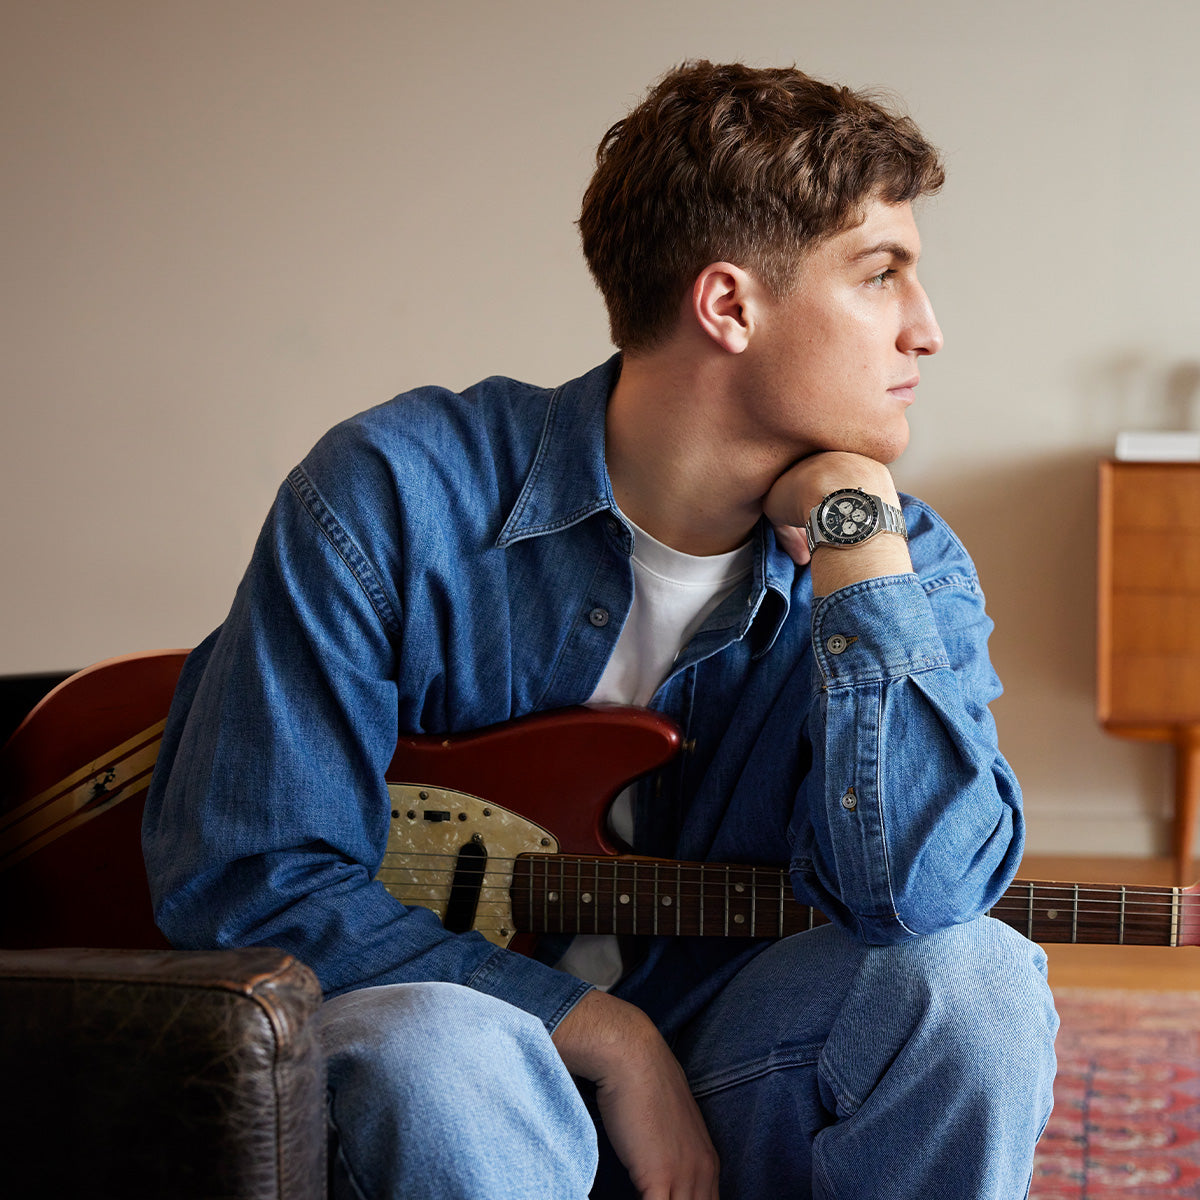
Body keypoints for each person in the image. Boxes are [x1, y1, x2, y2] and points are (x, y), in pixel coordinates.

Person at [143, 60, 1059, 1199]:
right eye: (882, 276)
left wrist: (856, 536)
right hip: (459, 1089)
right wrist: (599, 1032)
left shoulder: (895, 557)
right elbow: (251, 876)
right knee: (446, 1049)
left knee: (977, 978)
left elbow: (921, 903)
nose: (928, 330)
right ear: (727, 305)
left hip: (738, 1075)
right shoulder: (394, 495)